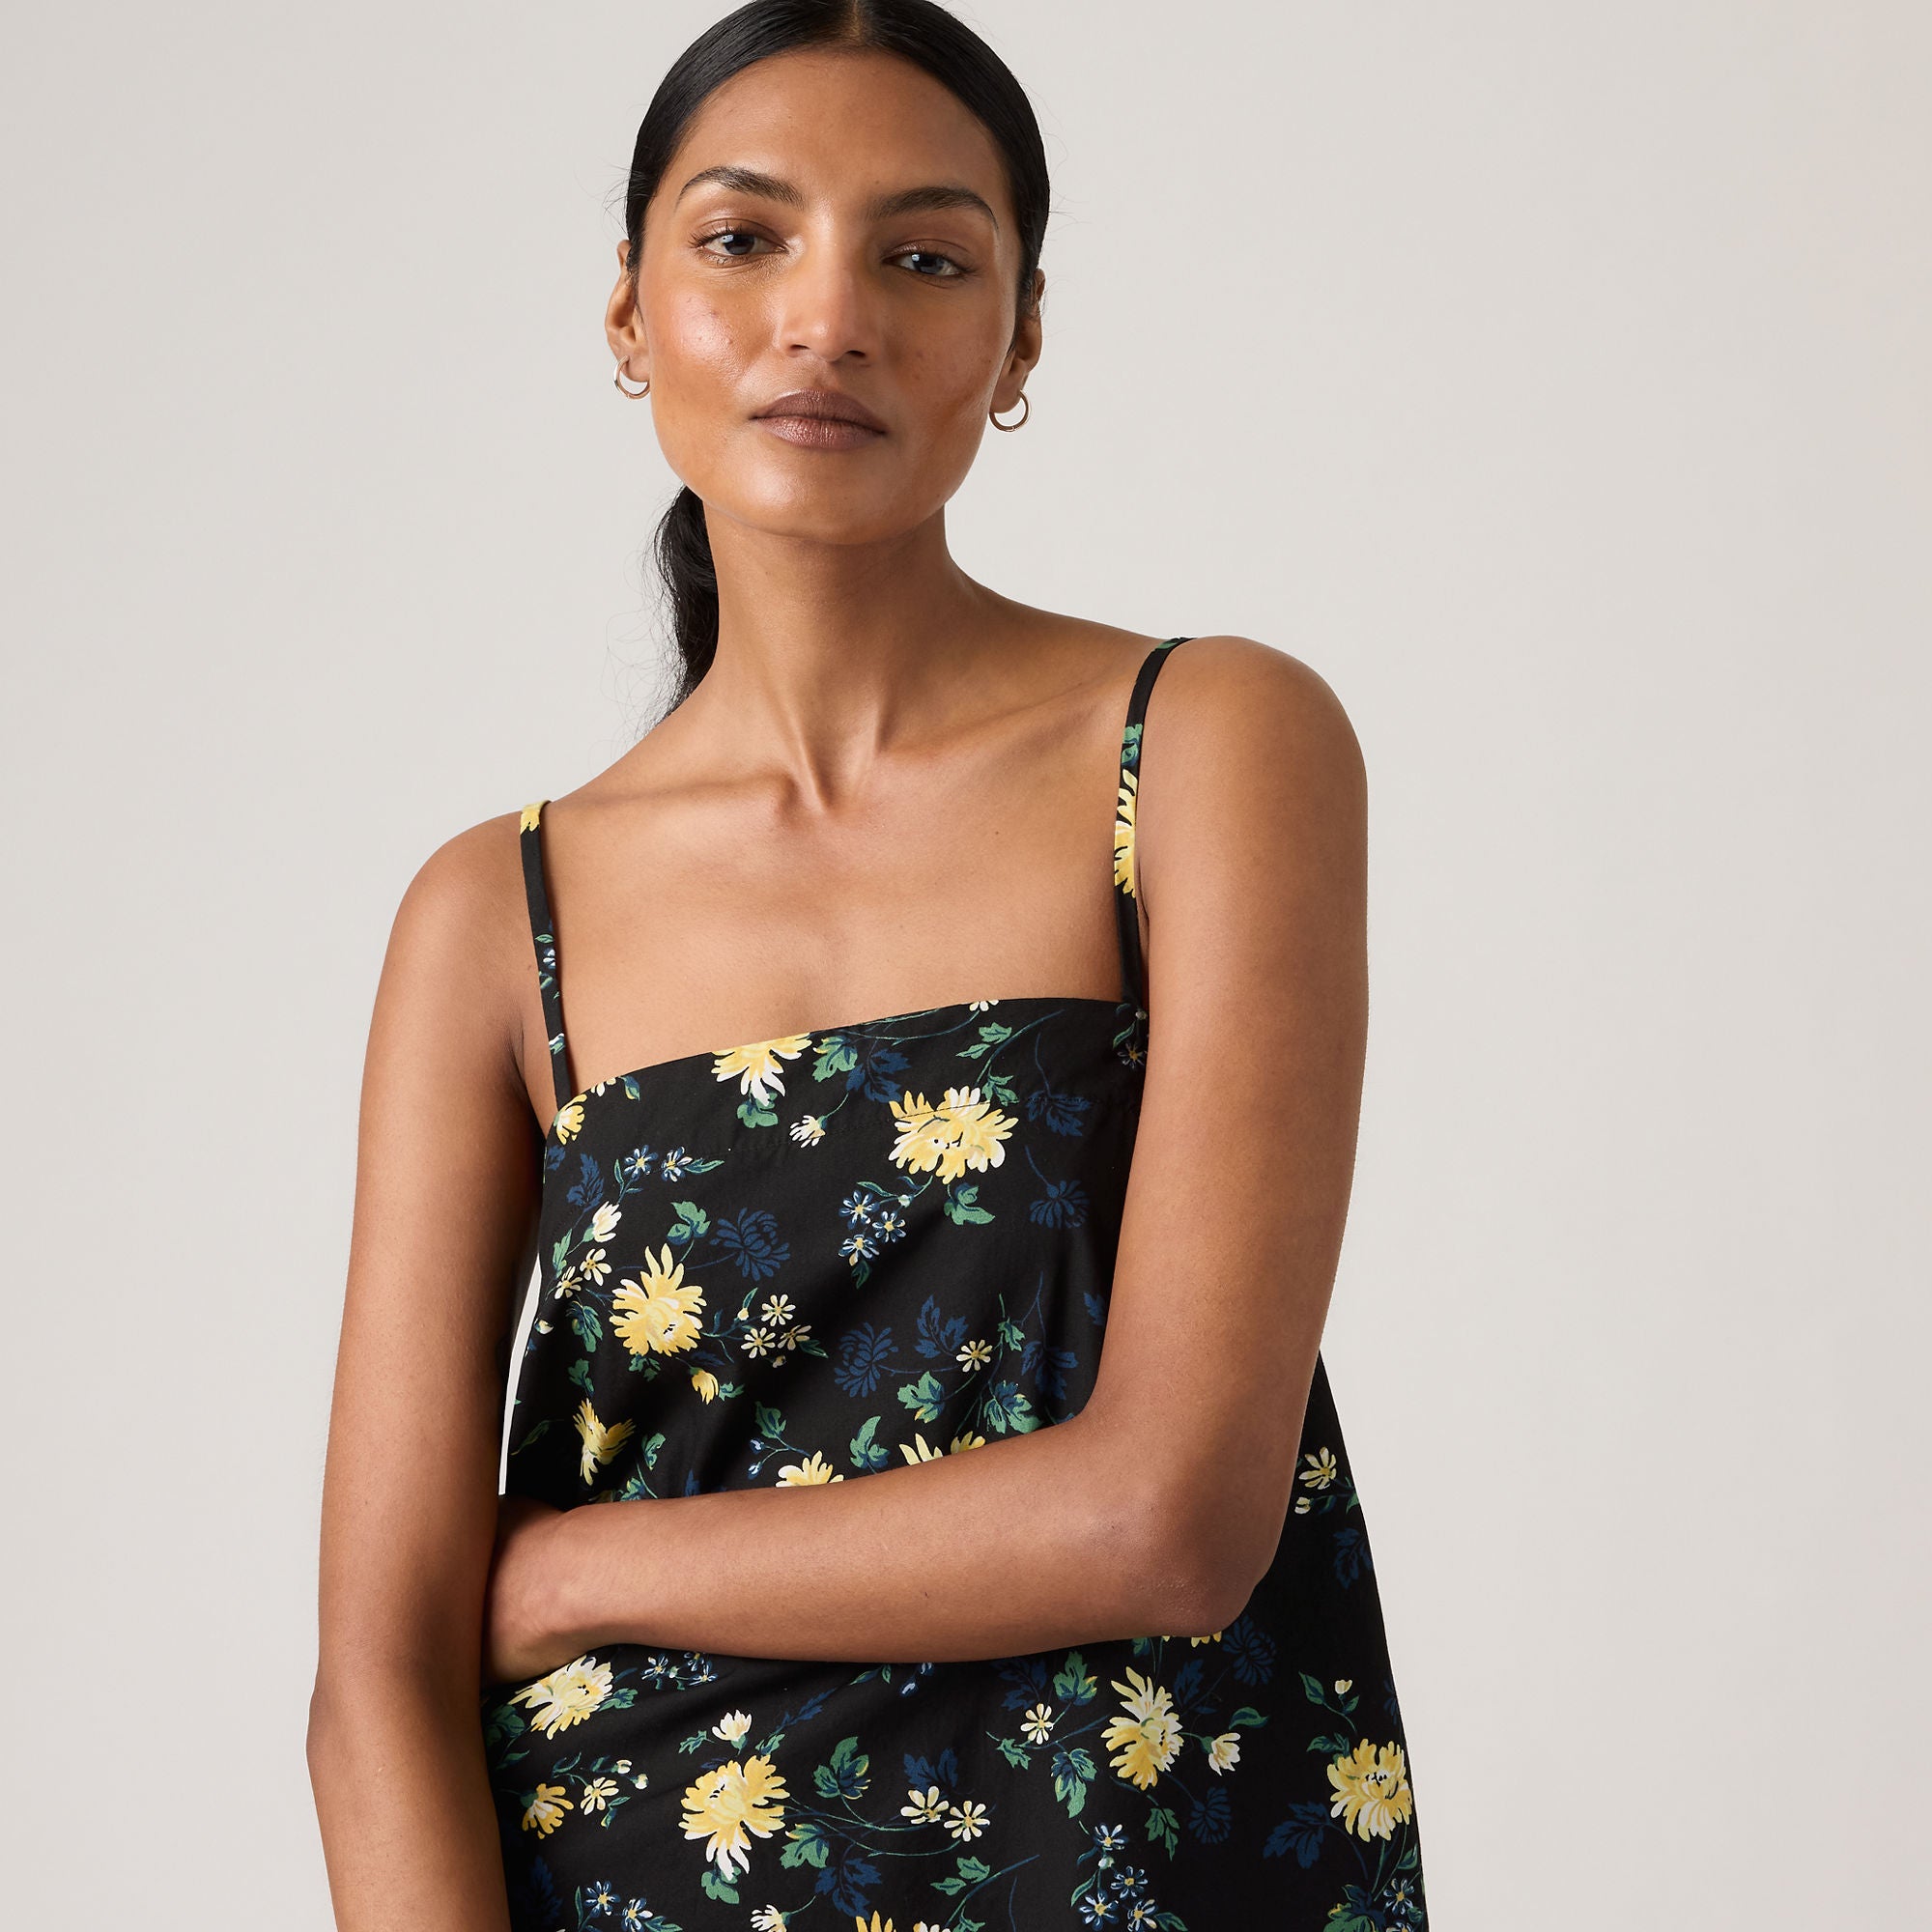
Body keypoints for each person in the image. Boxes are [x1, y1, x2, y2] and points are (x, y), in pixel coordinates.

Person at [306, 3, 1428, 1927]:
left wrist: (578, 1568)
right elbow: (376, 1687)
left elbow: (1167, 1517)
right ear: (629, 312)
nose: (825, 318)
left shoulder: (1206, 745)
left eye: (922, 257)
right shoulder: (497, 915)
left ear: (1021, 340)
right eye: (744, 239)